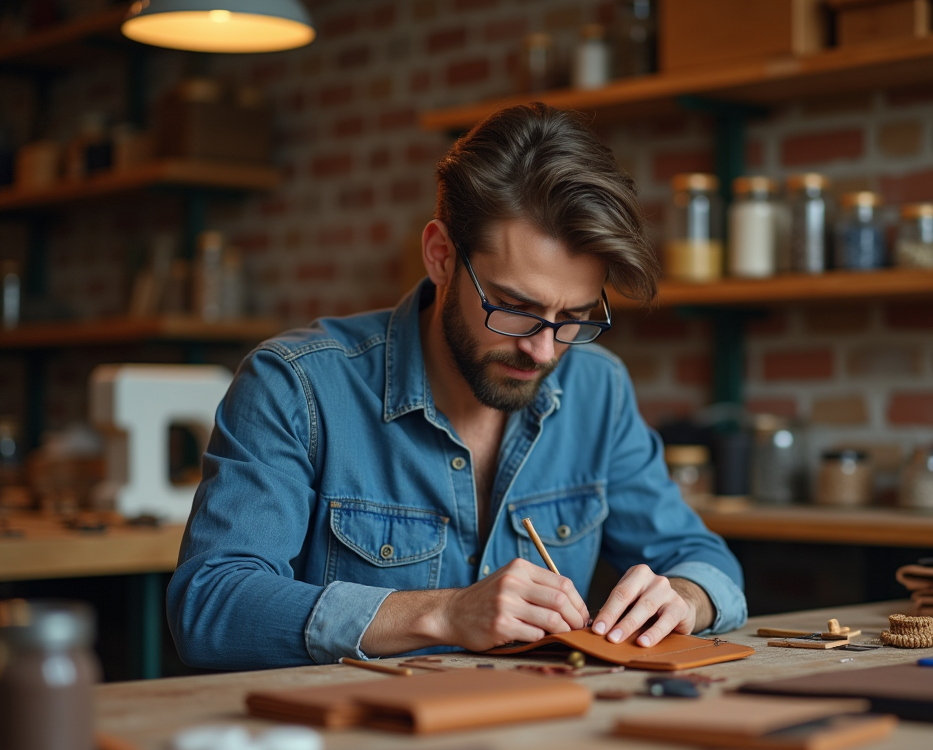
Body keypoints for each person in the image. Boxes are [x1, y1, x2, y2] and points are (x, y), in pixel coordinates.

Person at [167, 103, 746, 670]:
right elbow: (211, 606)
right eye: (515, 308)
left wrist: (685, 599)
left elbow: (704, 562)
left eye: (573, 316)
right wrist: (444, 614)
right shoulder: (296, 386)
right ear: (441, 256)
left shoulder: (599, 390)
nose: (544, 350)